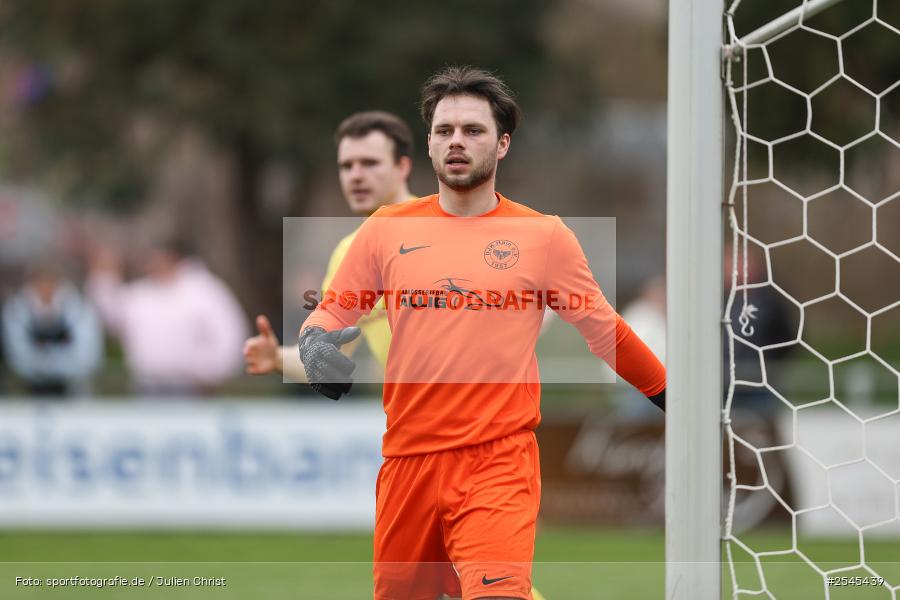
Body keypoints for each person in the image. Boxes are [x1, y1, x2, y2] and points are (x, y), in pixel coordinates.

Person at [298, 67, 666, 600]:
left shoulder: (544, 237)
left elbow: (604, 331)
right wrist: (314, 345)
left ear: (503, 143)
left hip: (497, 461)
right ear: (428, 144)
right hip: (407, 463)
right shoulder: (385, 229)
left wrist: (671, 398)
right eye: (445, 130)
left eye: (473, 130)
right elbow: (333, 311)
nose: (457, 141)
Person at [243, 111, 415, 381]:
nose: (356, 176)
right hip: (417, 418)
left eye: (370, 163)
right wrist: (276, 357)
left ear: (402, 167)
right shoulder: (348, 251)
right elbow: (333, 358)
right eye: (347, 166)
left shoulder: (439, 226)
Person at [87, 239, 248, 396]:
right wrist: (104, 274)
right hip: (147, 386)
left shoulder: (203, 290)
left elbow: (230, 335)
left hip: (191, 389)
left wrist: (211, 372)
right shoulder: (142, 293)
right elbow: (112, 315)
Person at [2, 261, 102, 396]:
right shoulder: (17, 309)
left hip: (73, 385)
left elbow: (88, 354)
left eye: (49, 283)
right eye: (40, 283)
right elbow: (17, 353)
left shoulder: (78, 308)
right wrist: (41, 366)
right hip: (29, 385)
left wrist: (58, 365)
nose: (45, 288)